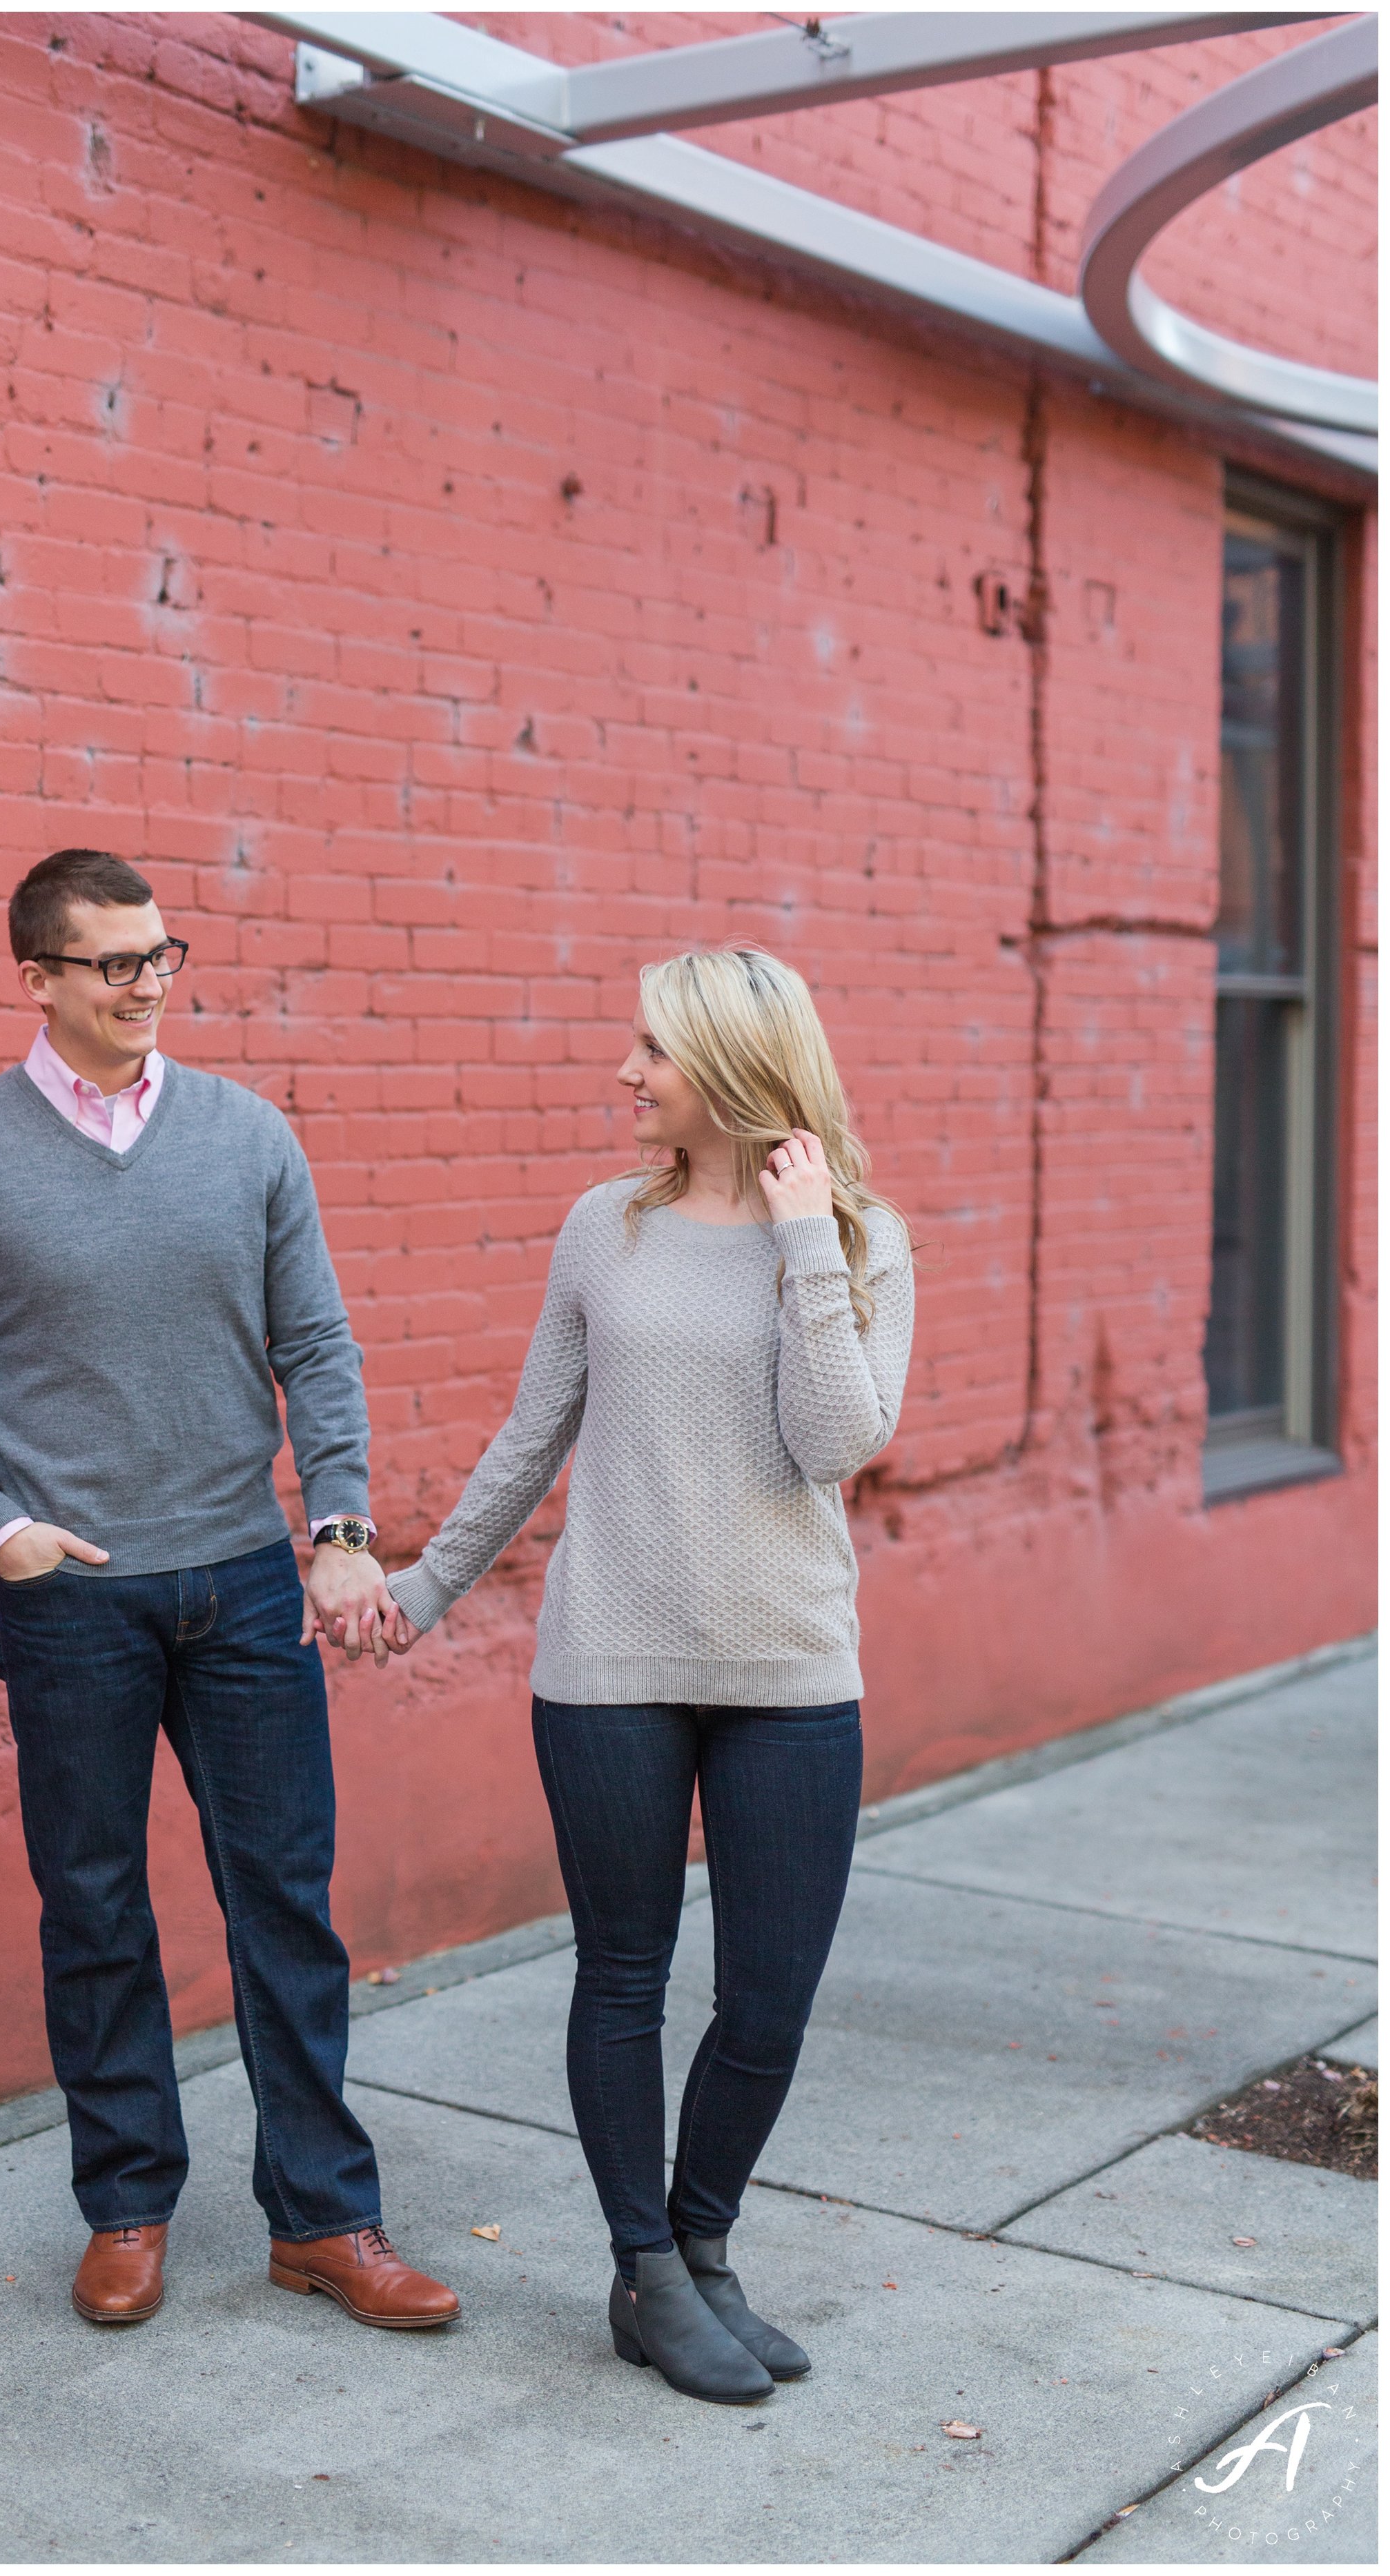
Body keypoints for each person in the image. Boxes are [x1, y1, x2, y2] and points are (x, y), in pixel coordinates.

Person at [0, 847, 456, 2335]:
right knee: (94, 1905)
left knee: (285, 1903)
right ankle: (126, 2204)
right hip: (72, 1598)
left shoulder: (245, 1135)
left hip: (249, 1585)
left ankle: (323, 2218)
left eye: (159, 955)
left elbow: (315, 1347)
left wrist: (336, 1524)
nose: (145, 984)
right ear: (39, 980)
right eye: (113, 962)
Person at [385, 946, 913, 2404]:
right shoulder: (599, 1229)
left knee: (767, 2000)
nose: (625, 1073)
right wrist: (424, 1587)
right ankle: (647, 2269)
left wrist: (805, 1240)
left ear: (737, 1072)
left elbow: (833, 1441)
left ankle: (700, 2248)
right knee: (621, 1974)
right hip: (608, 1662)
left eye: (651, 1050)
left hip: (792, 1666)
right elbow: (530, 1431)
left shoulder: (863, 1238)